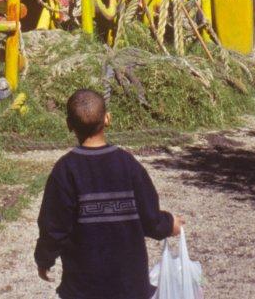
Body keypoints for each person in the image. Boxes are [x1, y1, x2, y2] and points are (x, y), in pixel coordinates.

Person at [35, 89, 182, 299]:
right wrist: (169, 224)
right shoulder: (128, 164)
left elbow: (53, 226)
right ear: (107, 119)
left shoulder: (65, 170)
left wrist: (44, 259)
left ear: (69, 125)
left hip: (83, 288)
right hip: (130, 287)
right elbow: (149, 217)